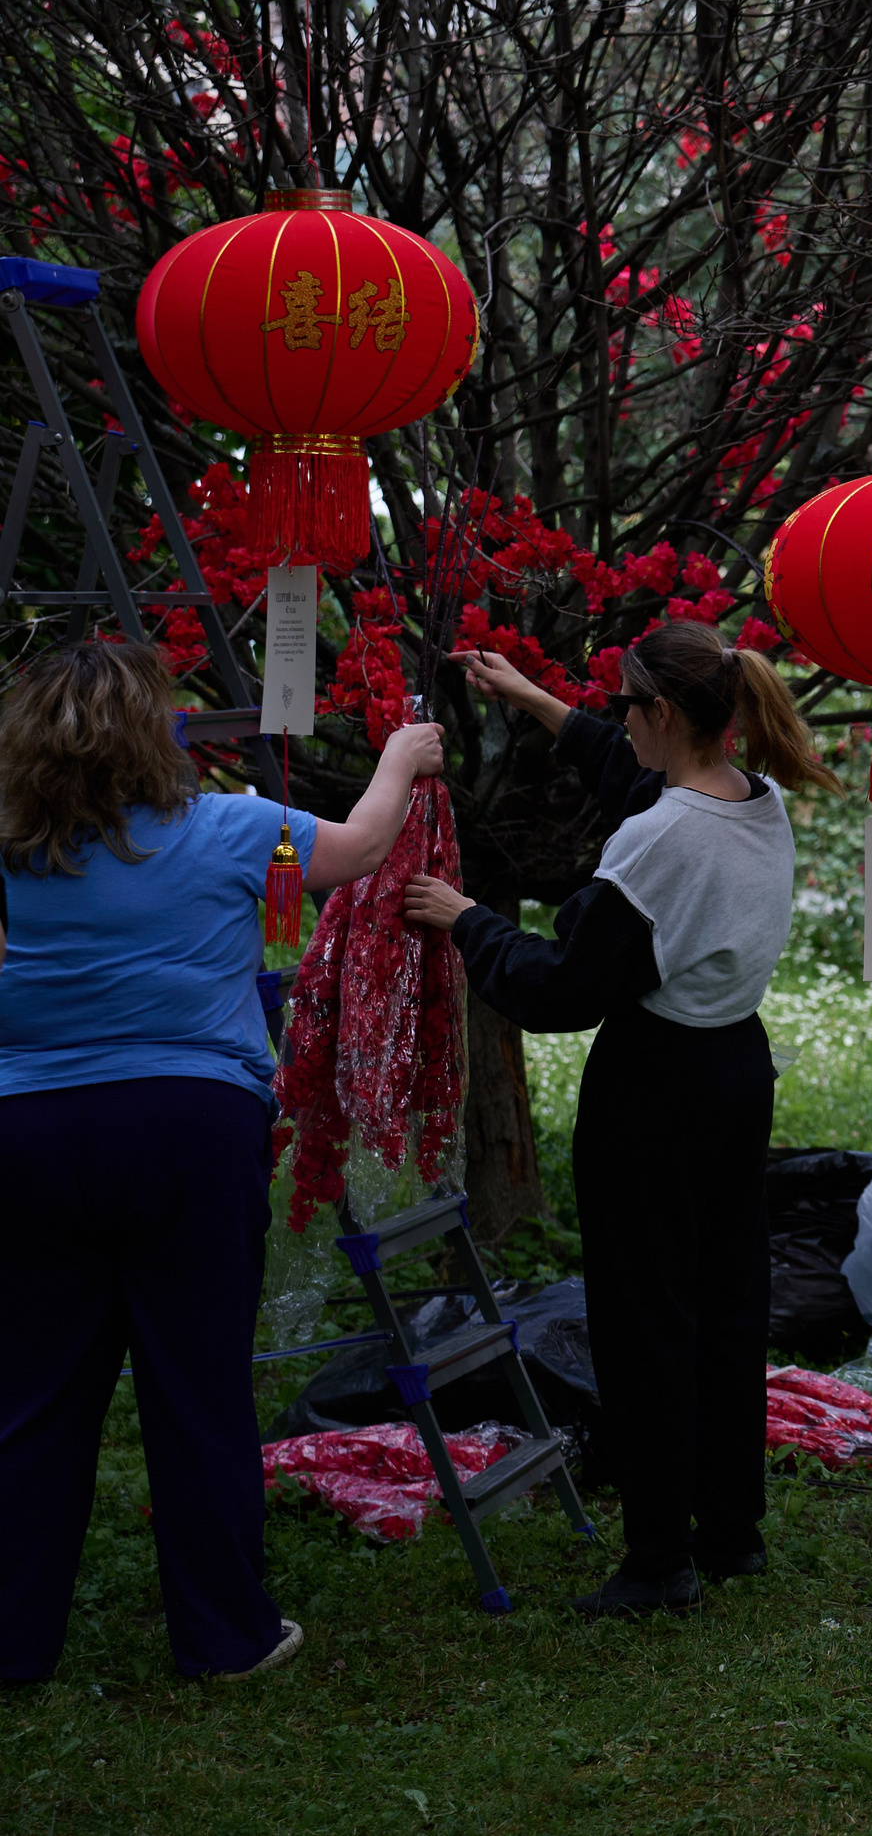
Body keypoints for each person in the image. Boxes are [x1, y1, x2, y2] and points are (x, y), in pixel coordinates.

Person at [0, 637, 445, 1682]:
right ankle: (222, 1634)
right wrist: (400, 754)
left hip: (27, 1135)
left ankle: (13, 1641)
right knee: (197, 1387)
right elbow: (363, 846)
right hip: (188, 1128)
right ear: (160, 731)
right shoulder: (232, 826)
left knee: (30, 1397)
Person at [402, 621, 843, 1618]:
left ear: (666, 715)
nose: (616, 723)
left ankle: (658, 1558)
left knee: (646, 1319)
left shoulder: (662, 837)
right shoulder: (753, 798)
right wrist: (528, 695)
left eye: (626, 706)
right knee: (728, 1305)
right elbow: (631, 775)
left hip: (656, 1088)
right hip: (736, 1069)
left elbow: (564, 987)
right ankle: (731, 1530)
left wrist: (464, 916)